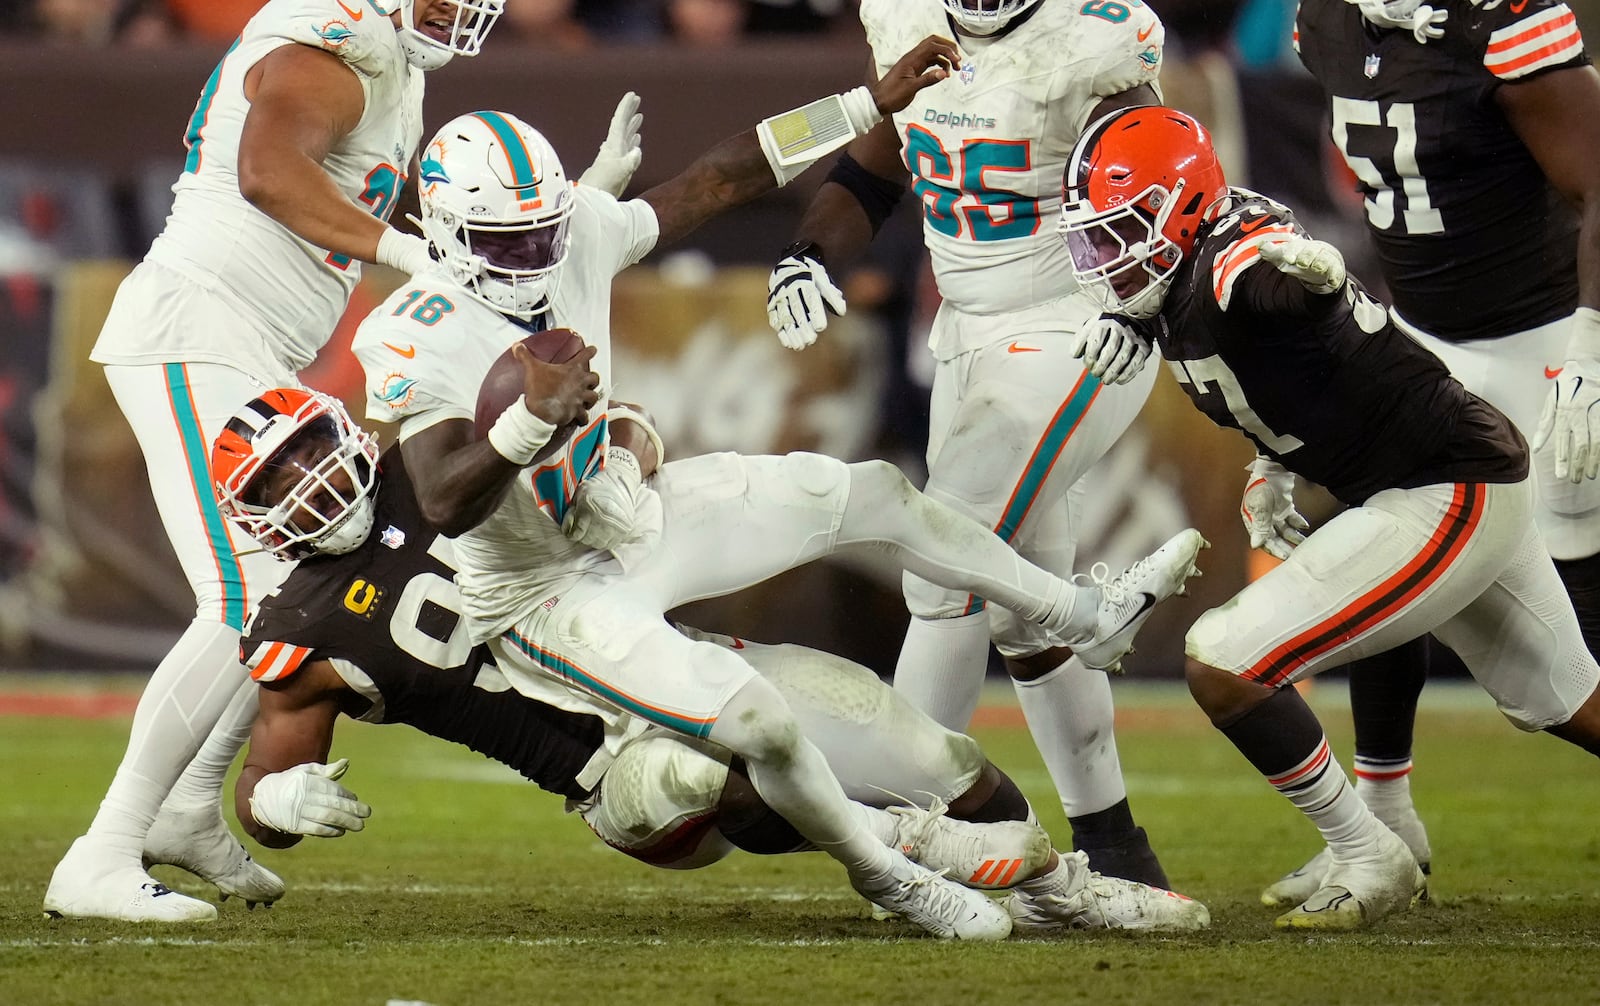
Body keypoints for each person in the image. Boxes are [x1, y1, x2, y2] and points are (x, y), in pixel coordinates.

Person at [351, 82, 1208, 938]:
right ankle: (896, 876)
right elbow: (441, 500)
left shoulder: (577, 233)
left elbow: (726, 176)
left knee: (873, 493)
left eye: (547, 229)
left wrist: (870, 100)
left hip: (629, 517)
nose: (539, 254)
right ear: (448, 235)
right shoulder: (413, 328)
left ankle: (1079, 620)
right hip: (544, 592)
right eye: (514, 240)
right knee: (757, 717)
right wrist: (531, 421)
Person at [45, 0, 646, 923]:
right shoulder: (337, 44)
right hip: (195, 325)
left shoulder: (392, 64)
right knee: (251, 601)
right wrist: (410, 252)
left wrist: (565, 215)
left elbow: (375, 198)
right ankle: (106, 850)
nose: (456, 8)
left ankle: (188, 806)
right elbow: (266, 170)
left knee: (293, 589)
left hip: (244, 343)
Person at [207, 388, 1211, 934]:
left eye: (307, 451)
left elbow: (618, 428)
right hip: (615, 777)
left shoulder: (438, 467)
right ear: (254, 514)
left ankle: (1060, 888)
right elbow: (263, 777)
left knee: (911, 737)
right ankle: (903, 854)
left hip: (665, 656)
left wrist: (627, 456)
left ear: (347, 429)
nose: (306, 482)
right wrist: (277, 805)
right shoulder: (304, 627)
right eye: (278, 477)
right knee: (705, 765)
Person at [1058, 104, 1600, 930]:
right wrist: (1272, 460)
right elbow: (1302, 375)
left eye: (1122, 232)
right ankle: (1386, 827)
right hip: (1443, 471)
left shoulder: (1238, 264)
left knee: (1224, 662)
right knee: (1576, 704)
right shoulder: (1182, 274)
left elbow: (1280, 292)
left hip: (1447, 486)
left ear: (1181, 208)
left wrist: (1318, 287)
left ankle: (1367, 852)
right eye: (1096, 239)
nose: (1109, 258)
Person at [764, 0, 1178, 887]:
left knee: (941, 555)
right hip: (964, 334)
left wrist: (1145, 299)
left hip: (1075, 326)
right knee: (1022, 593)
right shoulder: (907, 18)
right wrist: (809, 252)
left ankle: (896, 836)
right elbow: (877, 165)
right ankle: (1115, 845)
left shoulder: (1091, 39)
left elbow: (1165, 177)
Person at [1270, 0, 1600, 908]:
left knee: (1577, 621)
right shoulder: (1323, 21)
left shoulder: (1503, 21)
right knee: (1389, 551)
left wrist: (1592, 352)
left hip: (1545, 342)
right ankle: (1384, 817)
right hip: (1430, 338)